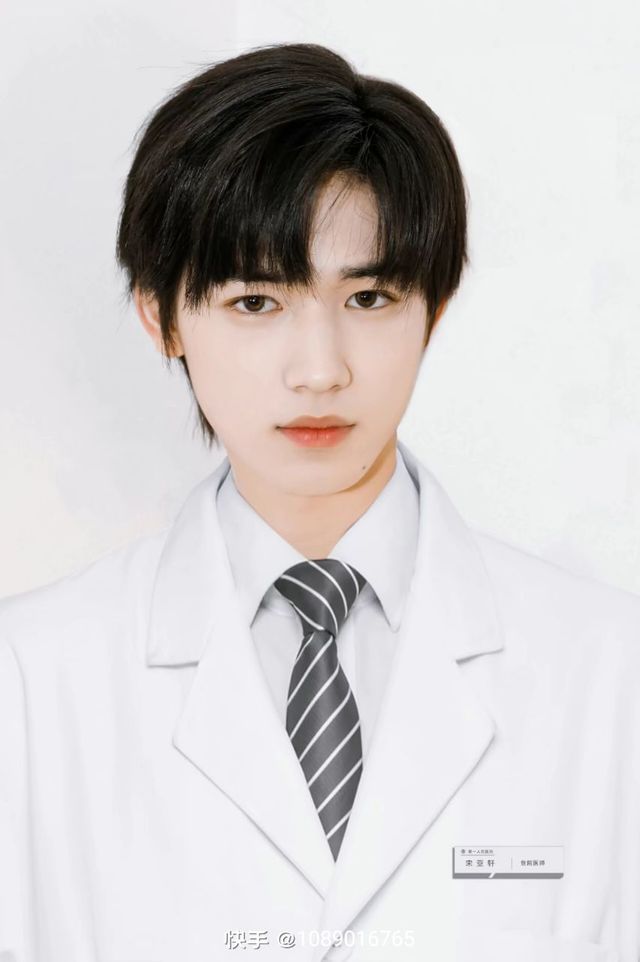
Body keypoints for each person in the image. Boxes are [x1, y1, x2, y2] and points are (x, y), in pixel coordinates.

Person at [0, 41, 638, 962]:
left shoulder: (611, 674)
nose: (320, 371)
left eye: (369, 297)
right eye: (256, 302)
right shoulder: (28, 680)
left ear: (435, 308)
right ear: (161, 316)